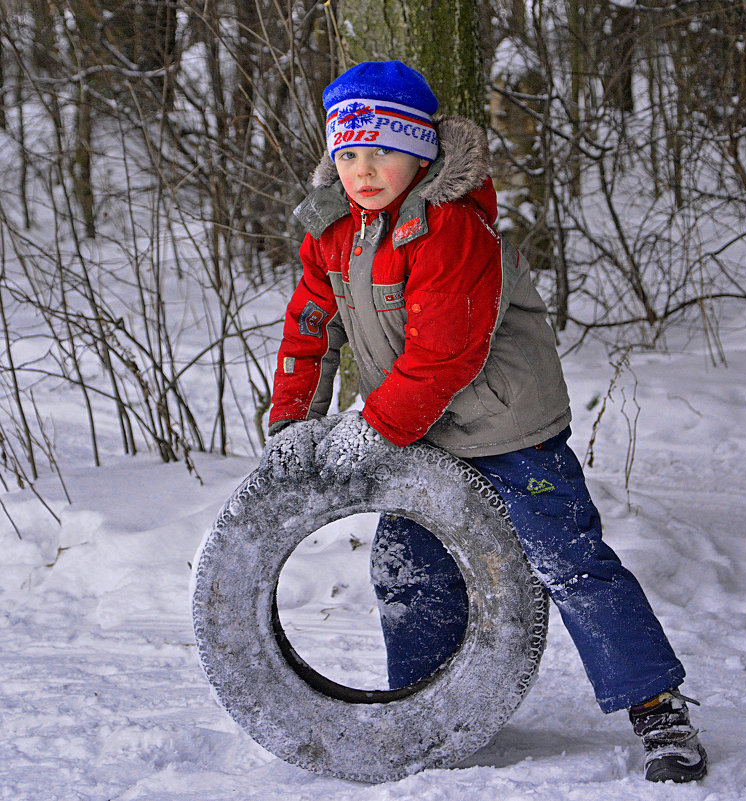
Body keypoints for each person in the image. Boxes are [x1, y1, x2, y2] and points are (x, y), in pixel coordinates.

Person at [267, 60, 707, 783]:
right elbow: (310, 326)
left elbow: (445, 352)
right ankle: (428, 711)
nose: (363, 169)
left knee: (569, 562)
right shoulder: (333, 233)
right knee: (407, 571)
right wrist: (293, 420)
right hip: (419, 435)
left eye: (381, 150)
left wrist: (372, 426)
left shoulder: (453, 231)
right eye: (347, 154)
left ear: (421, 151)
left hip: (508, 433)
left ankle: (657, 706)